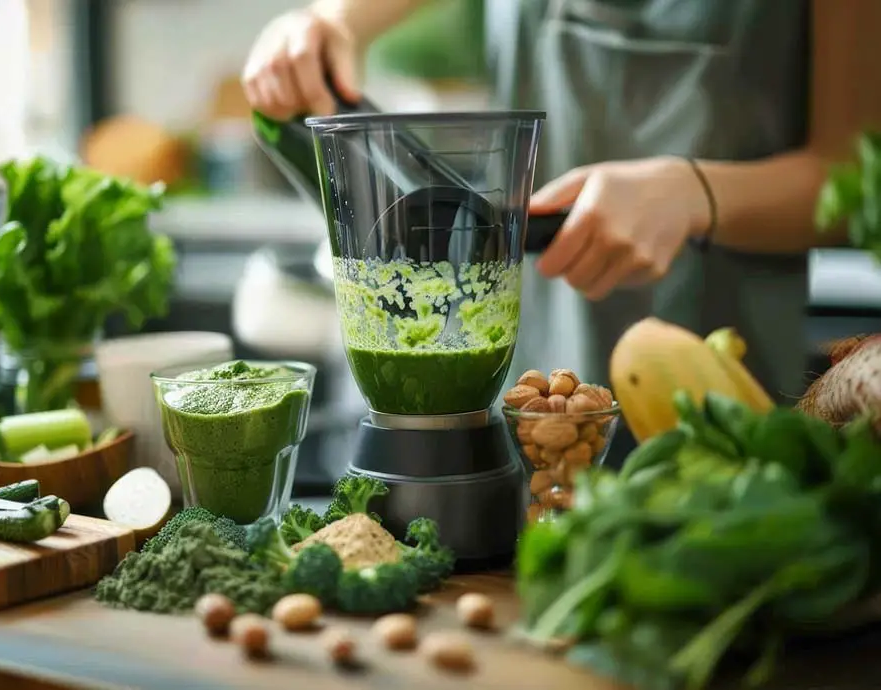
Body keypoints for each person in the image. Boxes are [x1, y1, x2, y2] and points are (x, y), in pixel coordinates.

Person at [242, 0, 881, 460]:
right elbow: (336, 24)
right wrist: (326, 22)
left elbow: (855, 181)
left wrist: (694, 193)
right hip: (517, 375)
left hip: (722, 397)